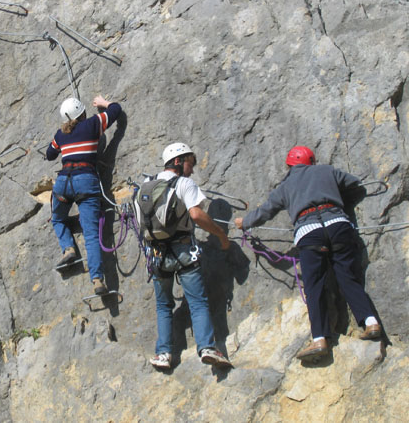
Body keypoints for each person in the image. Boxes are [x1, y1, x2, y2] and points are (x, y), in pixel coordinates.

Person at [234, 146, 382, 362]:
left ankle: (320, 339)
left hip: (309, 232)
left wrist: (244, 222)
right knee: (348, 277)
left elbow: (266, 210)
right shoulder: (327, 171)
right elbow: (355, 185)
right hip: (338, 225)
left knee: (314, 286)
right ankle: (371, 322)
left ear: (289, 165)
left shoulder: (285, 186)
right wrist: (336, 198)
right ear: (311, 161)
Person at [148, 142, 233, 370]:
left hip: (156, 254)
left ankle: (163, 354)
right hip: (183, 250)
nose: (192, 169)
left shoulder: (148, 184)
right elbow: (196, 214)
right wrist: (220, 234)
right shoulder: (184, 183)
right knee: (197, 302)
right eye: (190, 163)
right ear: (178, 161)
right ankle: (207, 348)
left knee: (163, 306)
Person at [46, 95, 122, 295]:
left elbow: (50, 154)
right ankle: (97, 280)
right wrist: (103, 103)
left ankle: (68, 248)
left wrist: (61, 142)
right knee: (91, 234)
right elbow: (116, 110)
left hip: (64, 183)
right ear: (82, 113)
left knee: (57, 219)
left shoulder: (60, 134)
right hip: (86, 181)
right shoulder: (93, 124)